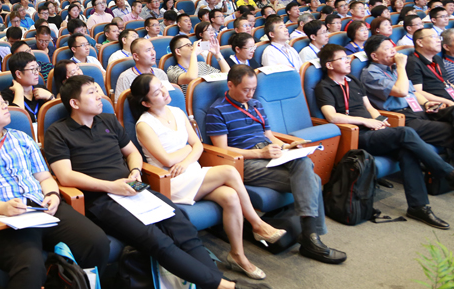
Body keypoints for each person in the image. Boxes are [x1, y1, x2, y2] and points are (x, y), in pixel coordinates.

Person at [44, 75, 266, 289]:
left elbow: (133, 153)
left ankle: (216, 283)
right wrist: (112, 186)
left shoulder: (108, 120)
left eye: (97, 90)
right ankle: (221, 285)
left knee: (181, 224)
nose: (99, 96)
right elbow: (65, 176)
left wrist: (134, 171)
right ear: (75, 103)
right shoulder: (58, 132)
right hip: (102, 196)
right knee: (156, 239)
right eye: (92, 93)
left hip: (132, 186)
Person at [0, 86, 109, 289]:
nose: (5, 106)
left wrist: (53, 195)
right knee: (30, 267)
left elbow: (45, 177)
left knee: (96, 242)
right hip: (4, 220)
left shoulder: (22, 138)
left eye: (4, 102)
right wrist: (2, 208)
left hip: (42, 209)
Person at [130, 74, 284, 280]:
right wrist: (187, 151)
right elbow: (166, 159)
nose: (165, 93)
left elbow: (198, 145)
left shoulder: (177, 112)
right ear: (146, 102)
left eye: (162, 87)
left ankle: (238, 255)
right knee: (229, 171)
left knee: (230, 196)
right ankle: (257, 224)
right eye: (157, 93)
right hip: (170, 181)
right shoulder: (144, 125)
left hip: (192, 172)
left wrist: (186, 158)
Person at [316, 44, 454, 229]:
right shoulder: (324, 87)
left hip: (374, 130)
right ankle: (449, 173)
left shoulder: (352, 80)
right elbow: (332, 116)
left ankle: (419, 207)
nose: (348, 61)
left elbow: (370, 108)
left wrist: (381, 121)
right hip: (357, 135)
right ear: (329, 65)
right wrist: (366, 122)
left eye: (347, 57)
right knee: (406, 132)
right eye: (342, 58)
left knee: (407, 151)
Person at [207, 65, 346, 264]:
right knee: (313, 180)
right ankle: (312, 237)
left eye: (253, 89)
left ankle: (310, 237)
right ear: (230, 85)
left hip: (269, 154)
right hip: (244, 163)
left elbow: (269, 136)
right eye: (246, 89)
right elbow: (222, 150)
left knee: (303, 162)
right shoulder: (217, 110)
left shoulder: (256, 104)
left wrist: (288, 146)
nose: (250, 94)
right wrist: (259, 153)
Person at [362, 34, 454, 157]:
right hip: (403, 117)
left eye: (392, 47)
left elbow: (412, 92)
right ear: (374, 56)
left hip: (420, 110)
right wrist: (401, 66)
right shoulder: (371, 73)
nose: (393, 51)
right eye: (387, 49)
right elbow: (401, 91)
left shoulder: (395, 68)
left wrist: (426, 103)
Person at [407, 27, 454, 105]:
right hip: (440, 104)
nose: (439, 40)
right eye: (433, 37)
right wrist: (447, 102)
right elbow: (417, 91)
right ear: (420, 42)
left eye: (439, 37)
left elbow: (446, 83)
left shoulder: (437, 58)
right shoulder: (413, 62)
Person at [1, 52, 54, 126]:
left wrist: (50, 97)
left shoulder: (41, 89)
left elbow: (56, 117)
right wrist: (19, 92)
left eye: (37, 68)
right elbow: (16, 122)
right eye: (32, 69)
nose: (37, 73)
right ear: (18, 74)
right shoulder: (6, 96)